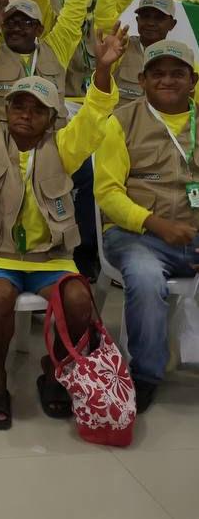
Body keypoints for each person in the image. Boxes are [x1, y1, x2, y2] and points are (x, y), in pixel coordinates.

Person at [0, 16, 124, 429]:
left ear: (52, 119)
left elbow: (94, 115)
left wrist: (102, 70)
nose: (26, 116)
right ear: (6, 108)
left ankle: (54, 369)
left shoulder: (65, 147)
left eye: (38, 110)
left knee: (79, 298)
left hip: (49, 257)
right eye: (19, 105)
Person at [95, 39, 199, 413]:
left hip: (193, 233)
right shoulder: (120, 123)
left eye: (177, 73)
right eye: (158, 74)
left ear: (193, 79)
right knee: (144, 276)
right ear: (142, 80)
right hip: (136, 235)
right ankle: (147, 374)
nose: (167, 80)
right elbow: (107, 193)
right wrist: (156, 224)